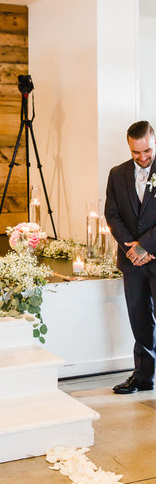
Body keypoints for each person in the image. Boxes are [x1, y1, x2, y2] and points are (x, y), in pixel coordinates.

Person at [105, 120, 156, 394]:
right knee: (139, 319)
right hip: (132, 261)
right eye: (136, 152)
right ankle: (143, 376)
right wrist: (132, 249)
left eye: (147, 151)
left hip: (154, 255)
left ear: (154, 142)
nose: (143, 157)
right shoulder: (117, 174)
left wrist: (145, 246)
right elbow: (112, 215)